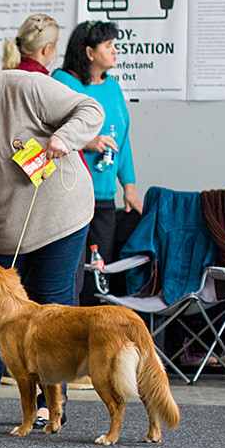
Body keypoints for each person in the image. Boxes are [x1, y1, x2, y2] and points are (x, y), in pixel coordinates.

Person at [0, 34, 103, 429]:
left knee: (52, 305)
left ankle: (51, 404)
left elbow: (89, 109)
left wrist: (65, 137)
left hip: (62, 217)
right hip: (3, 229)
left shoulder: (26, 87)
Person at [52, 21, 143, 306]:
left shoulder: (113, 87)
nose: (115, 51)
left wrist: (129, 186)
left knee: (97, 271)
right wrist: (88, 141)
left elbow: (122, 139)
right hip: (70, 195)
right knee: (72, 273)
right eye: (108, 46)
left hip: (104, 197)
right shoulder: (62, 82)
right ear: (90, 52)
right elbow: (47, 131)